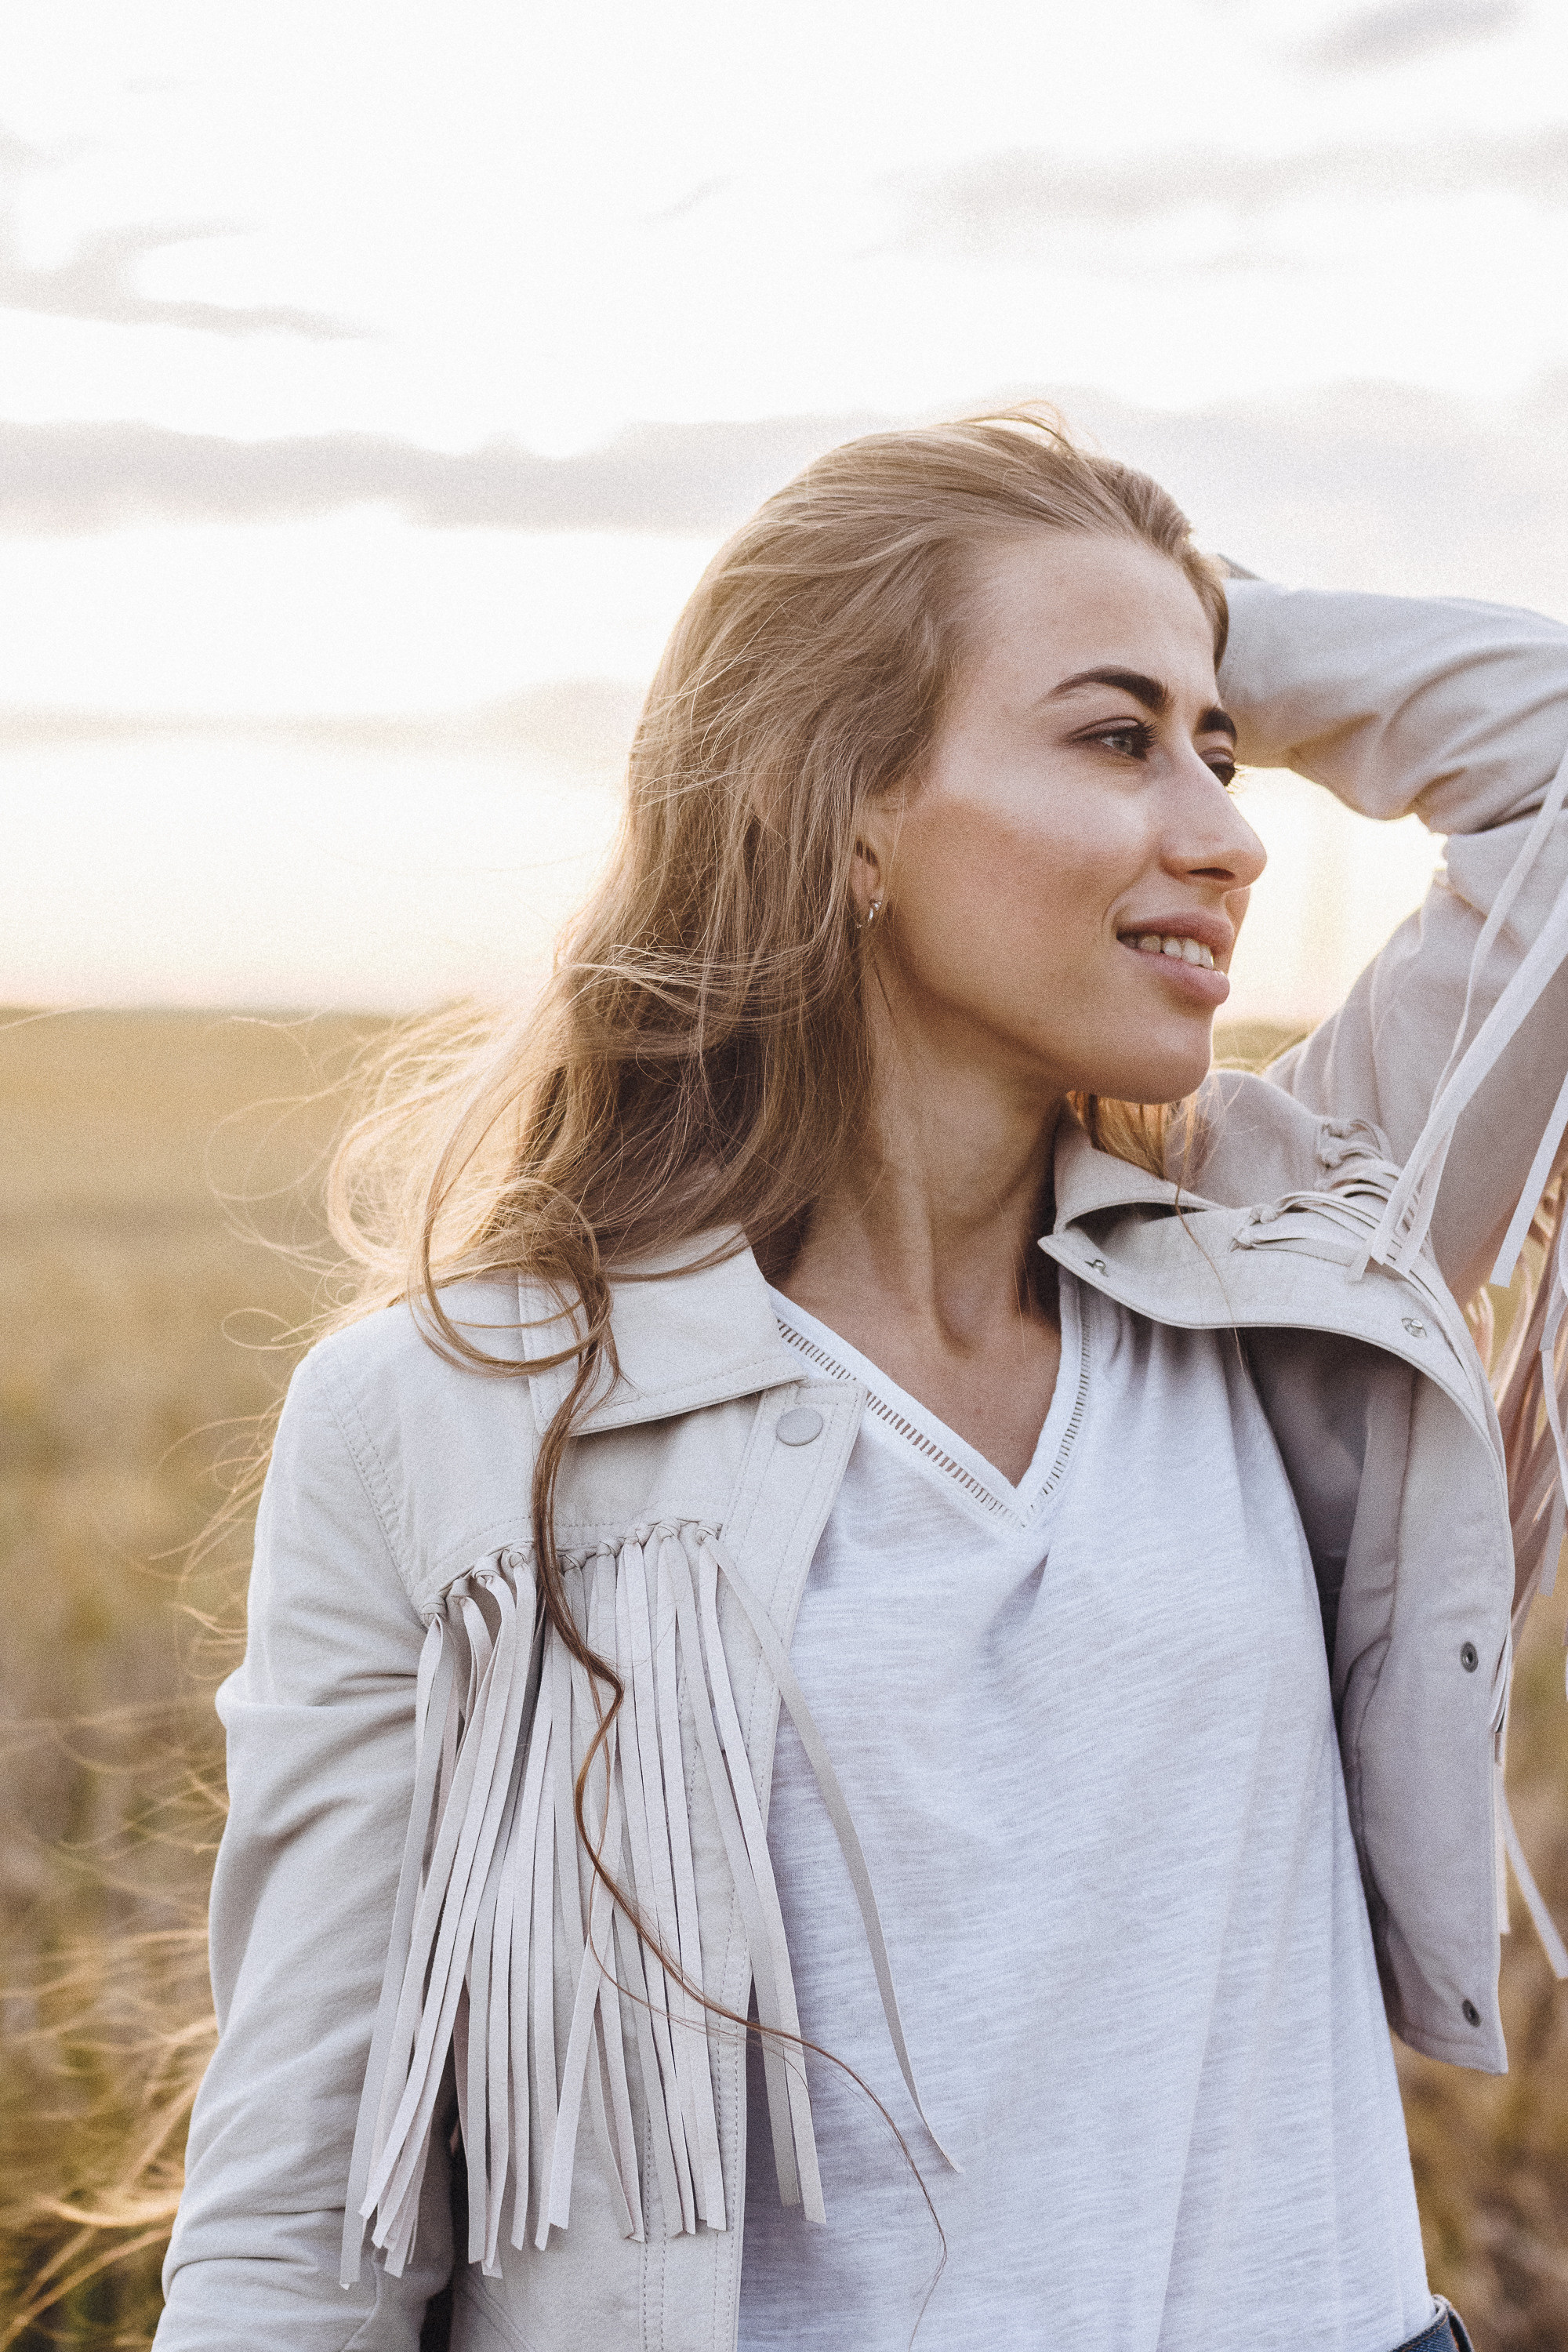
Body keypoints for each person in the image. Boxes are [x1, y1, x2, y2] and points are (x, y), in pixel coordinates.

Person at [154, 409, 1568, 2352]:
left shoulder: (1281, 1267)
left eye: (1218, 745)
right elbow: (298, 2225)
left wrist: (1170, 607)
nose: (1231, 834)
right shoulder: (458, 1419)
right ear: (843, 809)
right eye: (1110, 737)